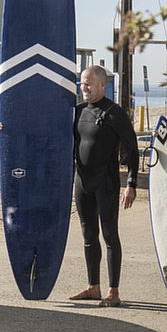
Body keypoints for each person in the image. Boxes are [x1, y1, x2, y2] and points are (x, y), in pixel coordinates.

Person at [67, 65, 140, 307]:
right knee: (88, 235)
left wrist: (131, 183)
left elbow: (132, 149)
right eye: (81, 83)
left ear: (102, 84)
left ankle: (113, 291)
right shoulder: (77, 111)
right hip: (82, 181)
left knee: (110, 236)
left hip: (106, 182)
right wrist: (4, 128)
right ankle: (92, 286)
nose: (83, 87)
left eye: (88, 83)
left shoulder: (115, 113)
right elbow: (43, 129)